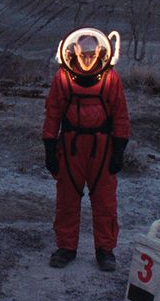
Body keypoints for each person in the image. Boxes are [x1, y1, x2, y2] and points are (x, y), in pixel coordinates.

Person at [42, 27, 131, 272]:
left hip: (102, 146)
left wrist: (119, 149)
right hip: (70, 146)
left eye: (92, 56)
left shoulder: (110, 79)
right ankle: (66, 247)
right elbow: (53, 114)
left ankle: (105, 250)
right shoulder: (63, 78)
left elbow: (121, 116)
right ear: (74, 53)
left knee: (105, 201)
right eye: (84, 55)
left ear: (100, 53)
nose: (88, 60)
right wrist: (49, 148)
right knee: (67, 199)